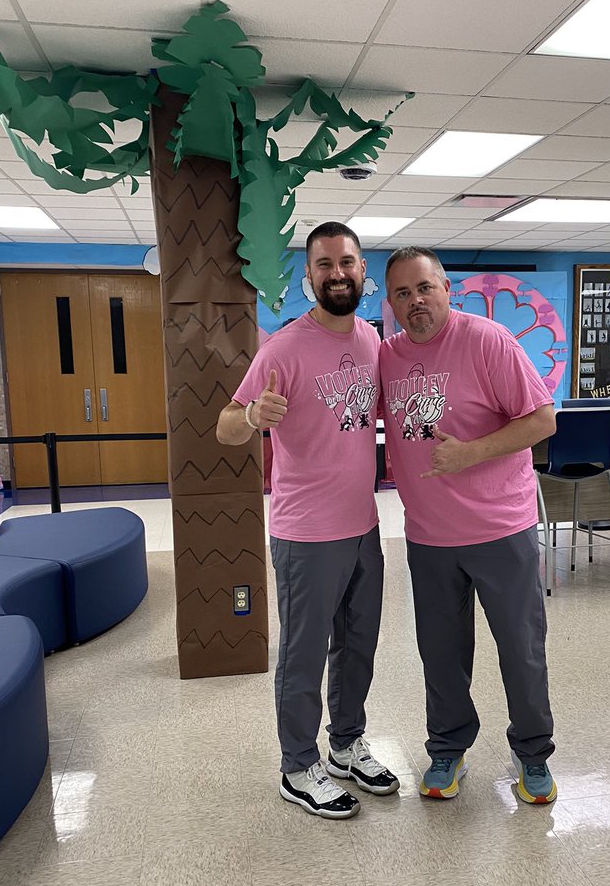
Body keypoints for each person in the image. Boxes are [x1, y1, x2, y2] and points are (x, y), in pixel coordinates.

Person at [216, 222, 398, 819]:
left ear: (363, 271)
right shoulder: (284, 348)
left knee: (358, 645)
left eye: (347, 262)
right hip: (306, 533)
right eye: (324, 264)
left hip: (363, 526)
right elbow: (225, 425)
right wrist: (253, 416)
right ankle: (298, 766)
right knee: (304, 654)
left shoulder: (371, 340)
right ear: (309, 278)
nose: (337, 273)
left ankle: (346, 745)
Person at [381, 247, 558, 804]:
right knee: (440, 654)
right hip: (429, 536)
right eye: (403, 293)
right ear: (391, 304)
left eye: (424, 288)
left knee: (520, 649)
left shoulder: (488, 340)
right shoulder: (387, 357)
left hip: (500, 529)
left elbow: (542, 419)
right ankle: (447, 746)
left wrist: (471, 453)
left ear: (446, 289)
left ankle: (533, 751)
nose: (416, 301)